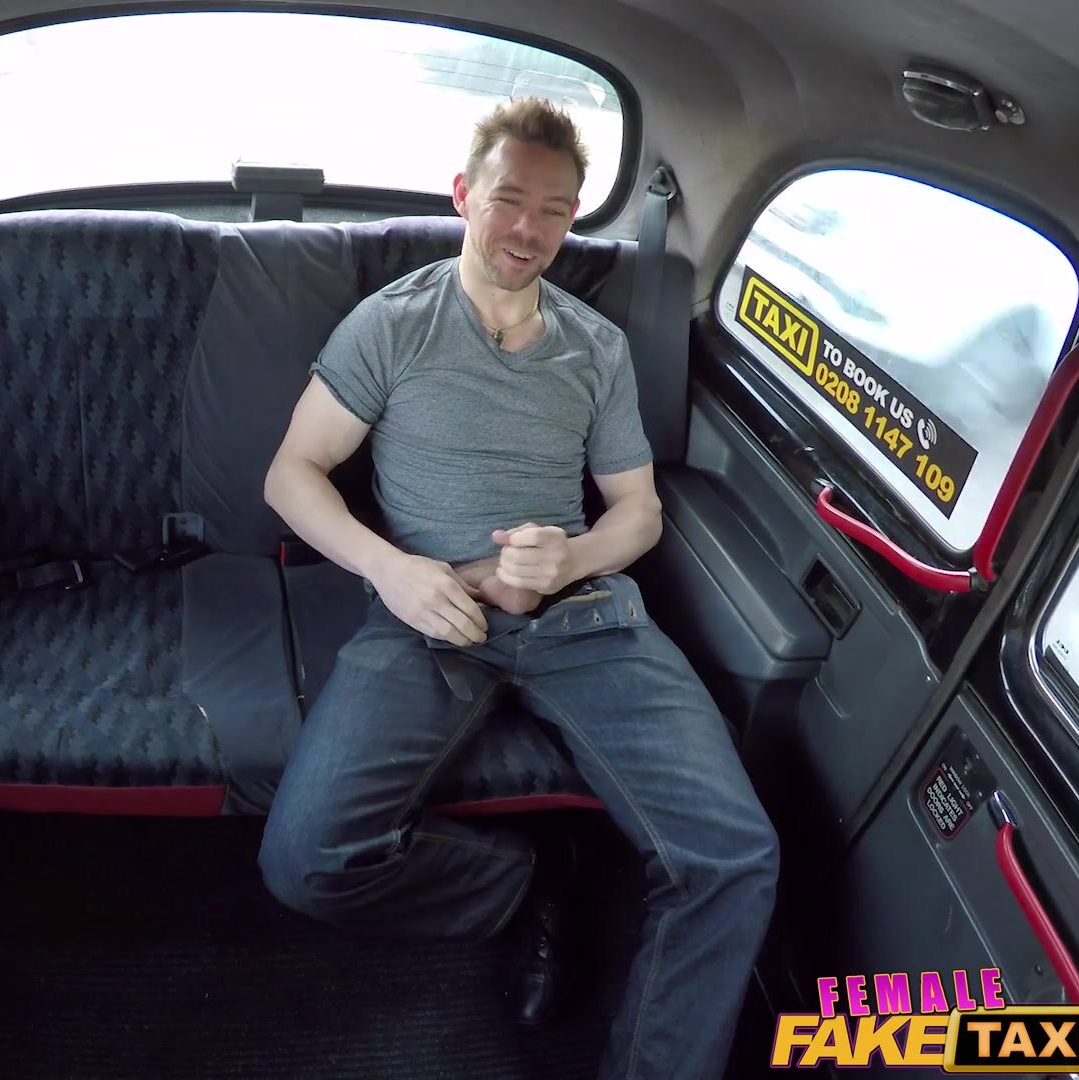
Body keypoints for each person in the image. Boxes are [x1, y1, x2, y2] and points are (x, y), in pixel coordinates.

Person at [257, 97, 780, 1080]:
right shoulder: (393, 325)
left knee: (735, 858)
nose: (528, 229)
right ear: (464, 196)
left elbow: (637, 512)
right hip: (429, 614)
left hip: (584, 618)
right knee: (309, 861)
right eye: (508, 200)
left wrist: (573, 559)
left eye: (554, 210)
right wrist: (391, 569)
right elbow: (293, 474)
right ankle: (530, 884)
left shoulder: (597, 348)